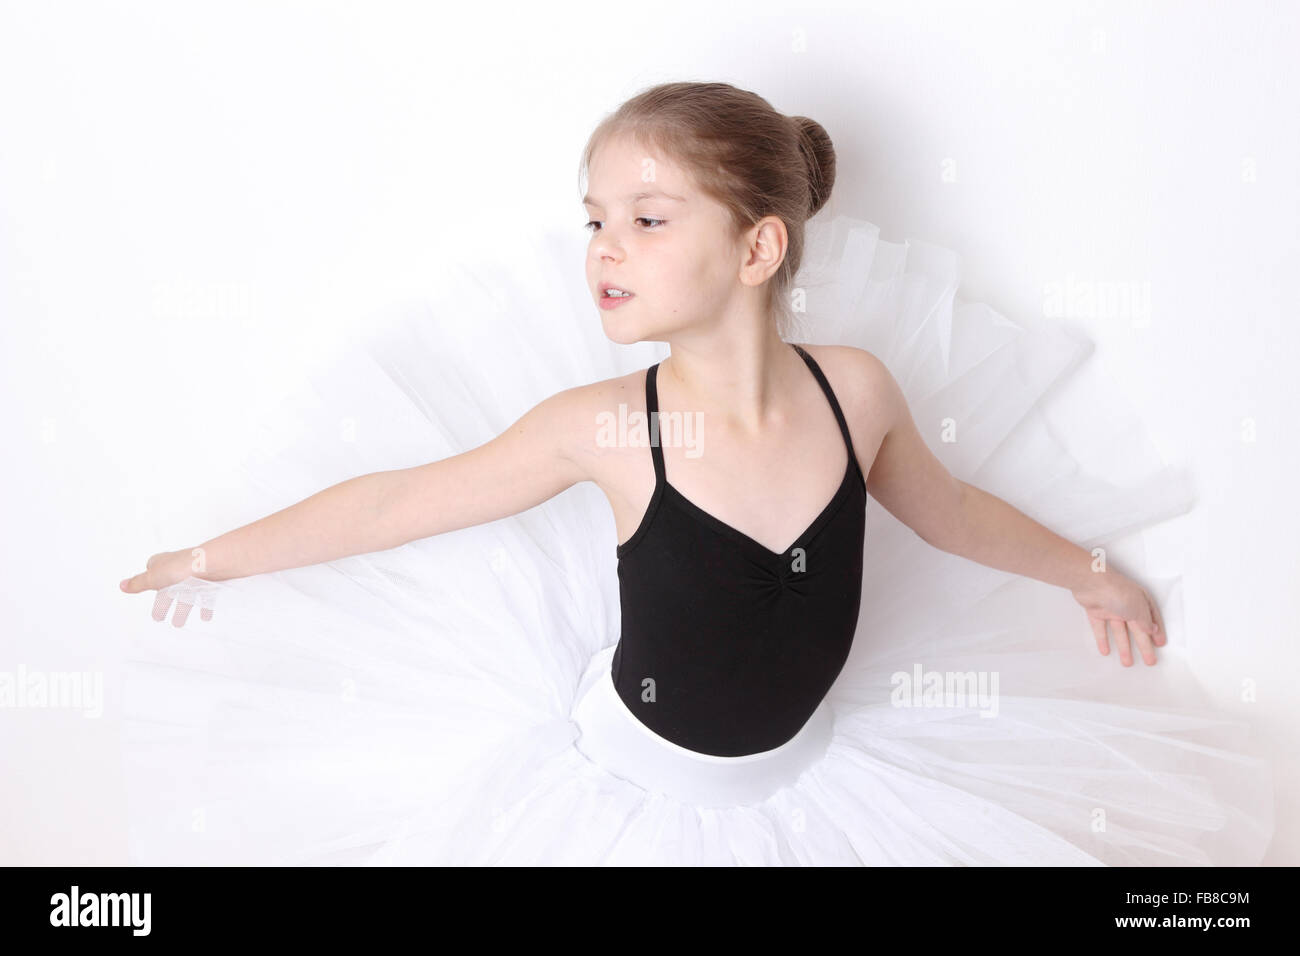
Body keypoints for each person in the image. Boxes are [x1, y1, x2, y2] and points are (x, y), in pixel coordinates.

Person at [118, 81, 1274, 865]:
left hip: (824, 775)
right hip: (631, 791)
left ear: (758, 246)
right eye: (594, 220)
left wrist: (1088, 571)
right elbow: (395, 499)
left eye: (648, 218)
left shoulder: (853, 391)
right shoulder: (606, 427)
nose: (603, 248)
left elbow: (952, 511)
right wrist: (213, 554)